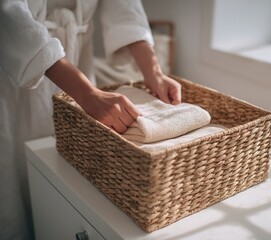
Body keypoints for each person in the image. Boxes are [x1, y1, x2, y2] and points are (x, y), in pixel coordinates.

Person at [0, 0, 181, 239]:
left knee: (75, 185)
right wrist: (87, 93)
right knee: (15, 178)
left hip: (78, 66)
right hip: (14, 79)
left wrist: (154, 73)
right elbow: (9, 17)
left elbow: (125, 9)